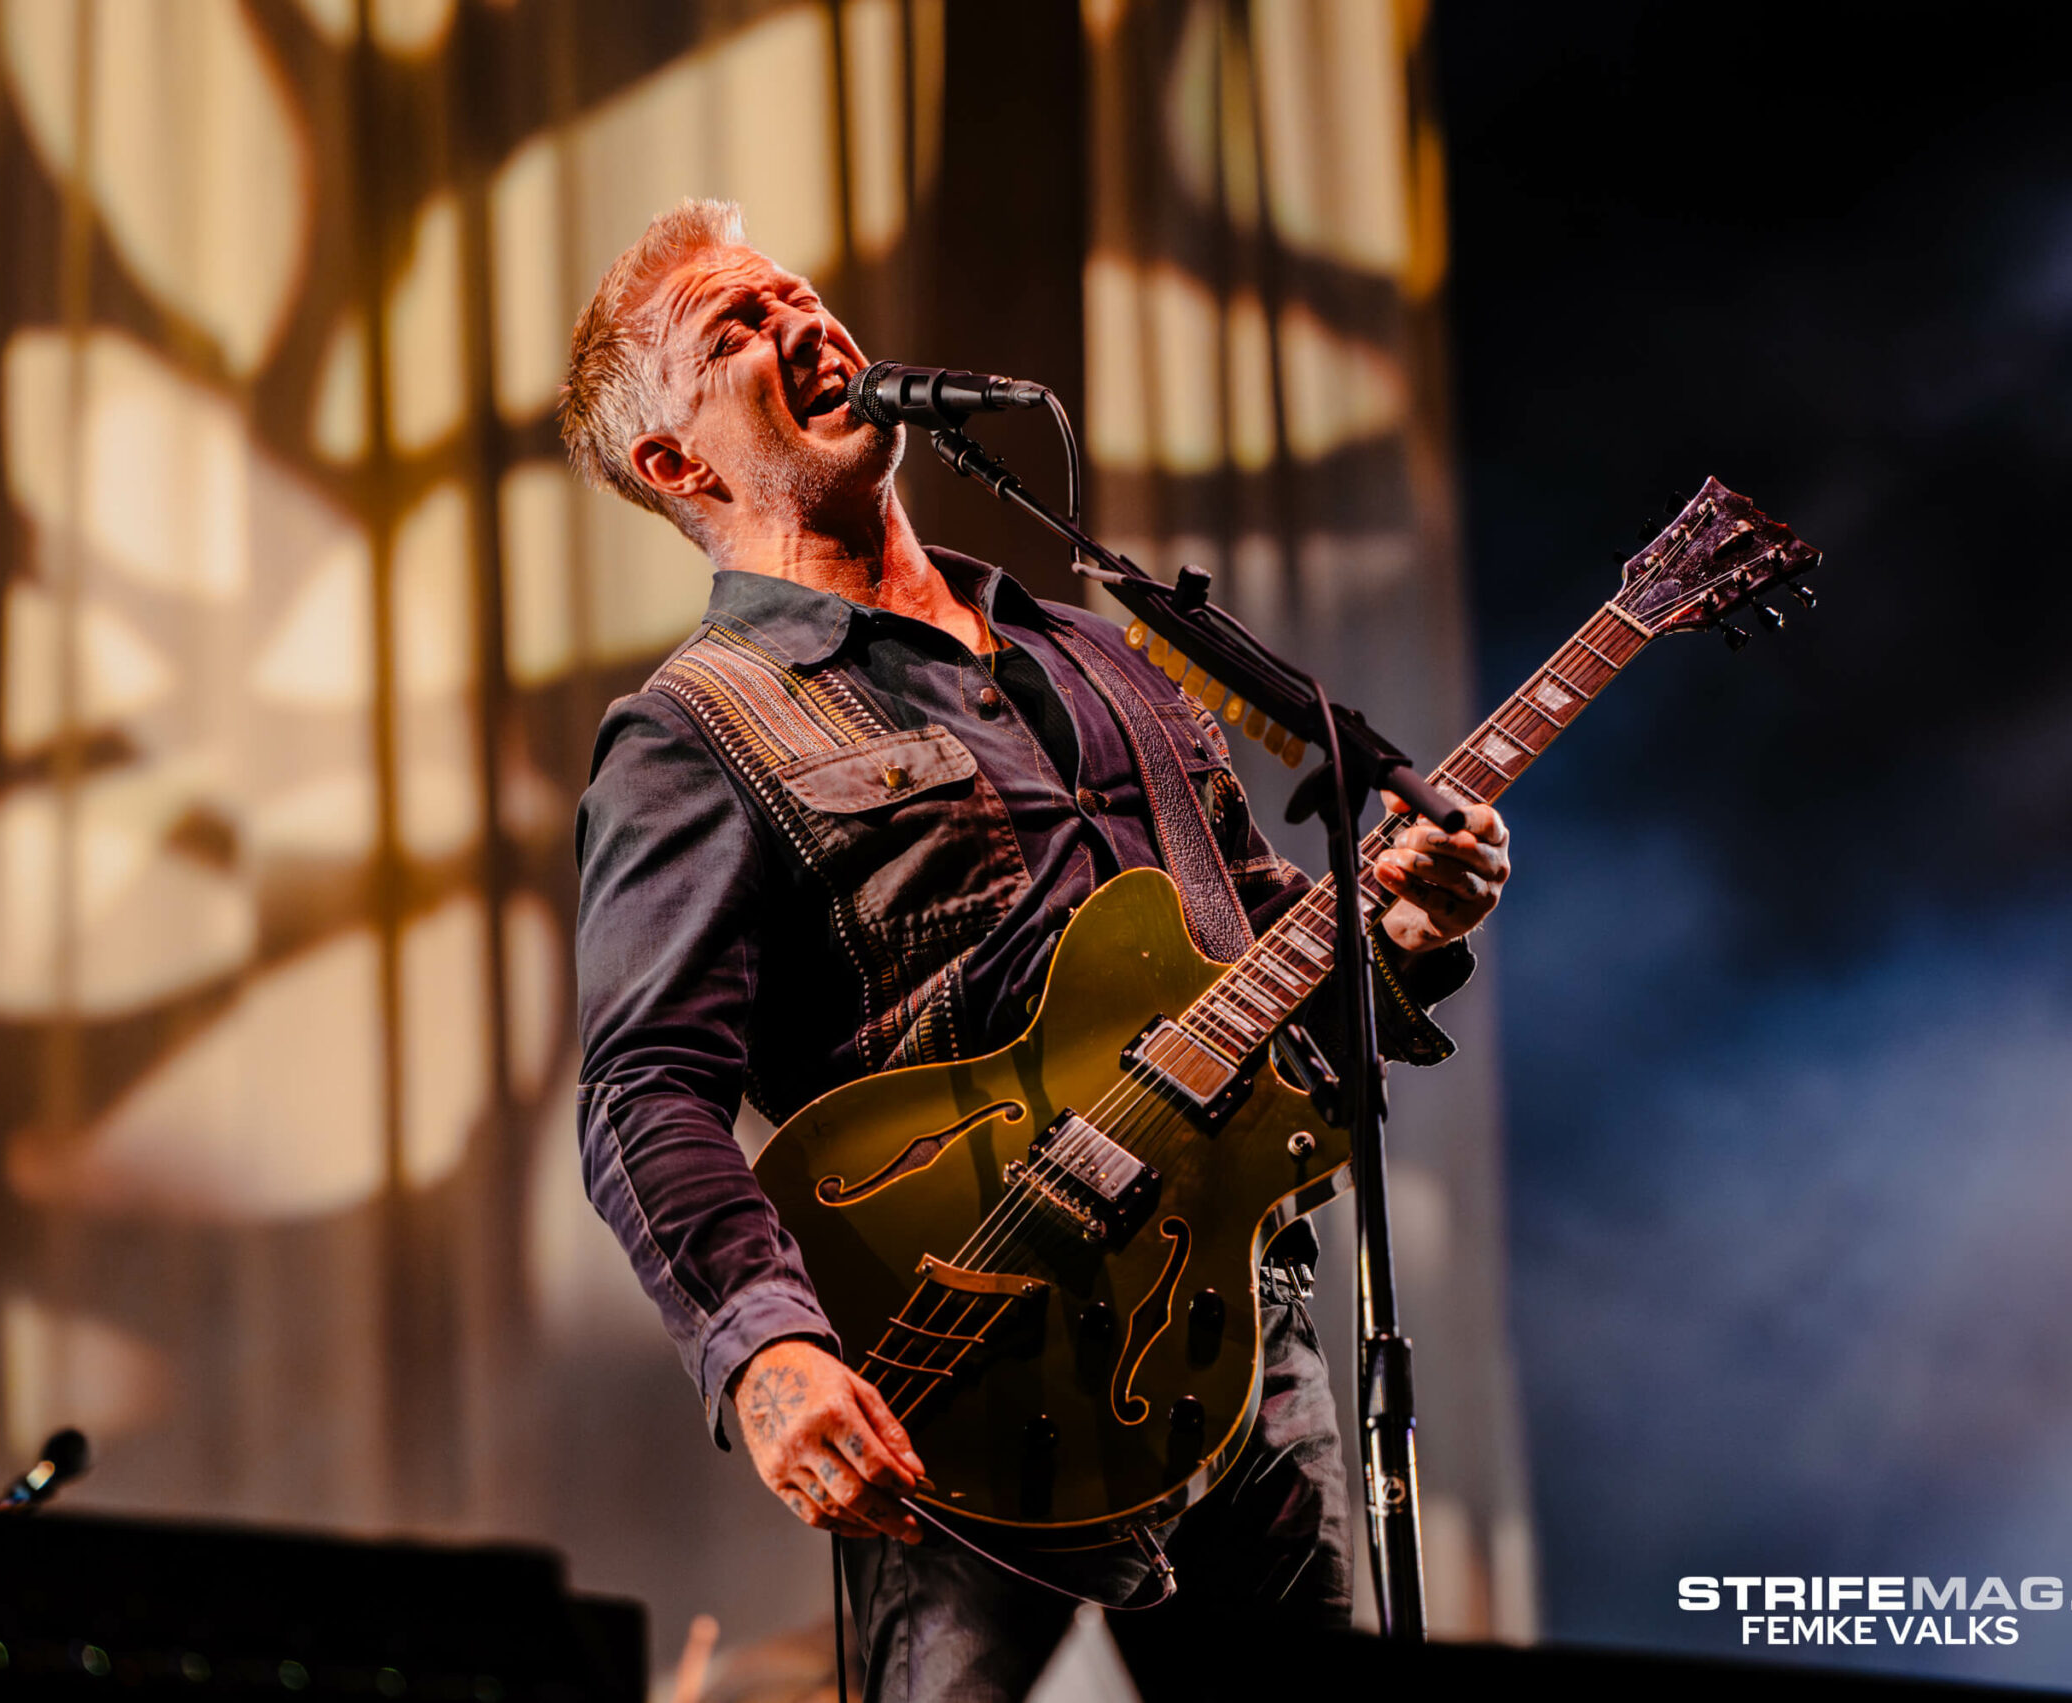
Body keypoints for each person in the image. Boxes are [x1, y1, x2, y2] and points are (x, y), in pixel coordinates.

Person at [563, 199, 1510, 1702]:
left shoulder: (1096, 654)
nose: (804, 325)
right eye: (733, 328)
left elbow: (1263, 960)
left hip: (1234, 1330)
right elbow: (645, 1087)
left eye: (798, 295)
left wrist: (1401, 925)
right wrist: (764, 1351)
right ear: (674, 465)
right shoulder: (696, 727)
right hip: (969, 1352)